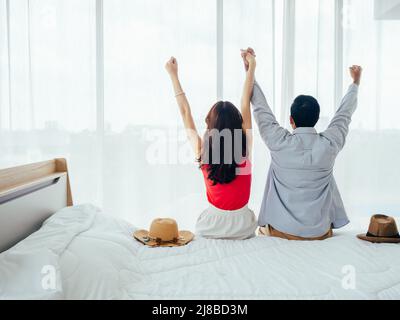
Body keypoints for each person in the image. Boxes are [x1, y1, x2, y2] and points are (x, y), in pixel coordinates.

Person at [241, 47, 362, 240]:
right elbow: (344, 114)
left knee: (260, 230)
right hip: (319, 233)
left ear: (291, 120)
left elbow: (260, 108)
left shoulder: (279, 141)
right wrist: (355, 83)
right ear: (316, 119)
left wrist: (250, 71)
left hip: (282, 231)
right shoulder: (330, 144)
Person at [165, 52, 258, 240]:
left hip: (211, 226)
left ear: (210, 125)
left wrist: (173, 75)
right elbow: (245, 102)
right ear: (237, 125)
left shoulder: (202, 151)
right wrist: (251, 67)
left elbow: (185, 113)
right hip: (244, 227)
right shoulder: (245, 147)